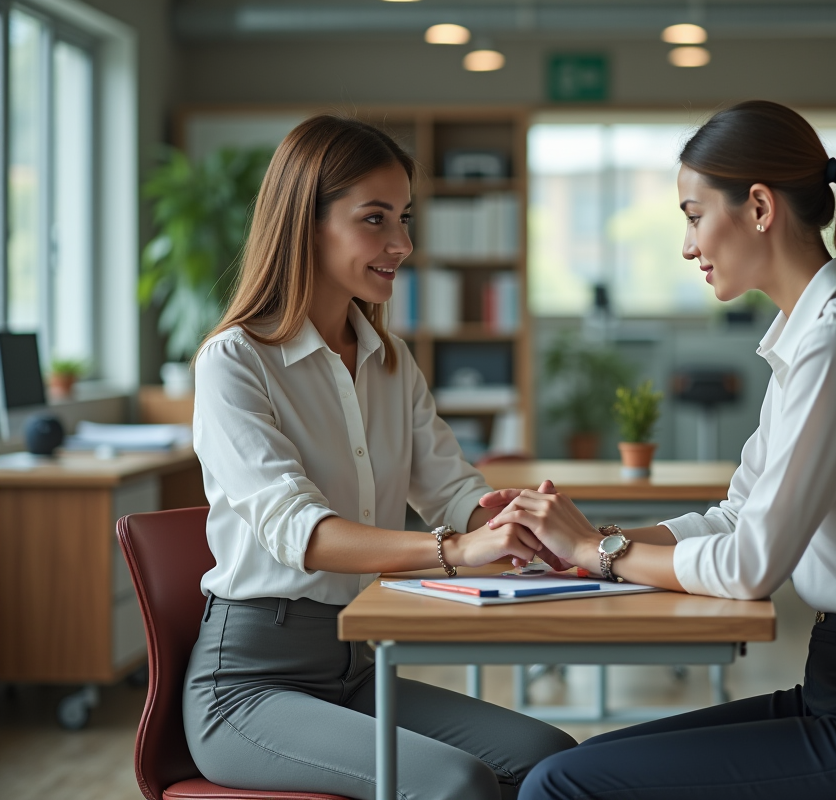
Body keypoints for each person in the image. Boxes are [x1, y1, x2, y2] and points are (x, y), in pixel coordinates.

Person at [486, 100, 836, 800]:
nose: (688, 245)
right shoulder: (809, 336)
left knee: (563, 786)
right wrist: (591, 540)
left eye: (693, 216)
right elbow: (735, 515)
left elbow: (750, 565)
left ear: (757, 207)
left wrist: (600, 555)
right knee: (557, 770)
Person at [182, 115, 575, 800]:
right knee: (456, 784)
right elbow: (302, 533)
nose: (402, 243)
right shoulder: (235, 363)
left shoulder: (388, 361)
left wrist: (510, 518)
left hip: (354, 670)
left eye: (404, 218)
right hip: (247, 687)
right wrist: (458, 549)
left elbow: (452, 490)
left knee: (552, 760)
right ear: (307, 223)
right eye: (375, 219)